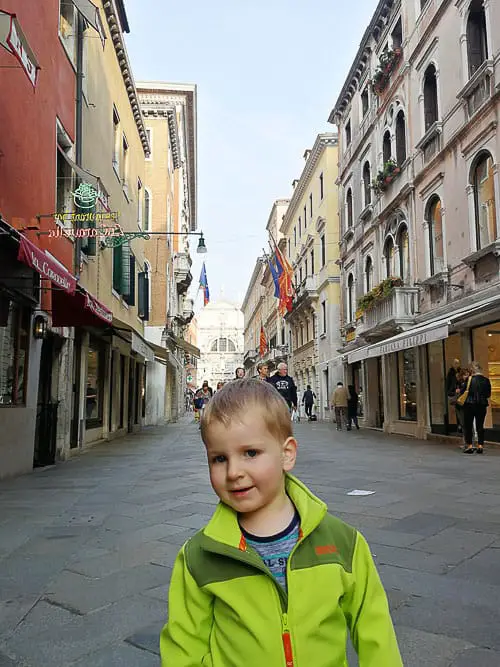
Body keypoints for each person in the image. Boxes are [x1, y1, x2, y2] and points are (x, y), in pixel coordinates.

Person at [160, 380, 402, 666]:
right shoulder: (199, 556)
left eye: (250, 453)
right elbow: (183, 648)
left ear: (287, 454)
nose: (233, 472)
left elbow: (376, 633)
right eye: (219, 458)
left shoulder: (343, 543)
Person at [462, 362, 491, 454]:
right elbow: (488, 394)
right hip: (482, 404)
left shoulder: (469, 380)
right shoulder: (486, 380)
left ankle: (470, 445)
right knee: (480, 425)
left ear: (472, 370)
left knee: (468, 425)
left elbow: (463, 391)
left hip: (469, 404)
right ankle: (480, 445)